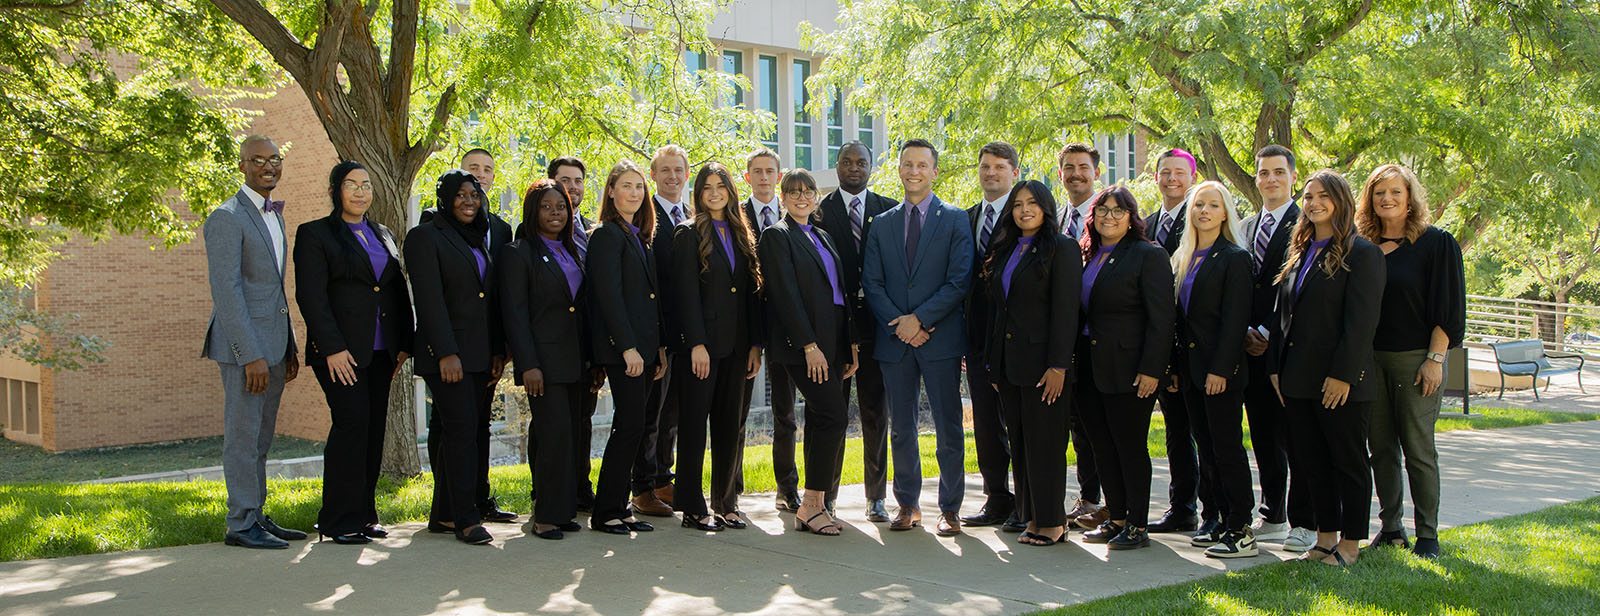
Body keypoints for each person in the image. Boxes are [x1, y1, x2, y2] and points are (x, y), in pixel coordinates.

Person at [1268, 169, 1385, 567]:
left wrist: (1343, 375)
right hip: (1297, 378)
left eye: (1323, 196)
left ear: (1341, 201)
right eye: (1308, 196)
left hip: (1341, 381)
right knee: (1311, 463)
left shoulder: (1362, 253)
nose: (1314, 203)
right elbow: (1283, 316)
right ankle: (1323, 540)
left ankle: (1351, 545)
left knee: (1347, 463)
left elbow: (1362, 323)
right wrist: (1275, 368)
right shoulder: (1300, 251)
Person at [294, 160, 413, 545]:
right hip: (340, 353)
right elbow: (311, 296)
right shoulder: (315, 234)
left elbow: (394, 290)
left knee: (373, 429)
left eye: (366, 185)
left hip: (381, 353)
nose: (361, 192)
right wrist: (332, 348)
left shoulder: (383, 233)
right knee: (352, 425)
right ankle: (337, 519)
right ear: (335, 191)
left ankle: (364, 514)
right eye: (351, 185)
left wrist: (404, 346)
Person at [861, 139, 974, 537]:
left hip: (939, 339)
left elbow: (959, 280)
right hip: (895, 341)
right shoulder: (882, 223)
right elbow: (871, 283)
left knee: (948, 427)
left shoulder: (957, 219)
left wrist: (922, 320)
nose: (914, 171)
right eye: (907, 164)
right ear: (899, 169)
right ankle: (907, 504)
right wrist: (901, 323)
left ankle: (950, 508)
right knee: (901, 428)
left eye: (922, 165)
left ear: (934, 171)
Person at [1355, 164, 1465, 559]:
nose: (1387, 199)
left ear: (1410, 197)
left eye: (1395, 193)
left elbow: (1449, 310)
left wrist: (1434, 359)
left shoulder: (1437, 244)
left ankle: (1429, 536)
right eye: (1378, 193)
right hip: (1370, 360)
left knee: (1418, 448)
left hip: (1417, 358)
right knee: (1380, 447)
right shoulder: (1360, 245)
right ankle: (1391, 528)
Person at [202, 134, 306, 549]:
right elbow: (227, 292)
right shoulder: (226, 217)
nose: (269, 166)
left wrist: (290, 347)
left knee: (261, 437)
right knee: (243, 436)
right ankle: (240, 522)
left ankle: (256, 514)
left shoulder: (274, 216)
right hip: (246, 350)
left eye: (275, 158)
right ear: (241, 165)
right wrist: (251, 356)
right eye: (258, 159)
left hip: (275, 346)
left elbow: (274, 291)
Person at [405, 169, 507, 545]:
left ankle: (445, 514)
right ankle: (467, 519)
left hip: (480, 355)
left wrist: (497, 350)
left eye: (474, 195)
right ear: (446, 198)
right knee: (461, 431)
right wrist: (446, 352)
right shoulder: (424, 237)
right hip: (447, 357)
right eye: (461, 195)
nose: (469, 201)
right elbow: (429, 301)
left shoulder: (478, 239)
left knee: (463, 432)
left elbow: (489, 301)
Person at [759, 168, 860, 536]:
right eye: (793, 192)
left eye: (808, 191)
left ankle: (815, 504)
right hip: (804, 344)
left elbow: (841, 294)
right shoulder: (776, 236)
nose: (801, 197)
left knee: (822, 417)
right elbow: (784, 294)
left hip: (833, 339)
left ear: (816, 197)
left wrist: (850, 343)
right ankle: (813, 503)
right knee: (833, 413)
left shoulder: (823, 235)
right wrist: (809, 345)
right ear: (782, 198)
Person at [497, 180, 598, 540]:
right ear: (533, 211)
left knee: (572, 437)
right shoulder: (518, 253)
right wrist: (528, 365)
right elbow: (515, 314)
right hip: (544, 363)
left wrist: (595, 361)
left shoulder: (575, 250)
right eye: (547, 207)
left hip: (578, 360)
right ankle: (545, 516)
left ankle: (563, 509)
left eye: (562, 207)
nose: (556, 213)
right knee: (553, 437)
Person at [982, 180, 1081, 546]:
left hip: (1045, 367)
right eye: (1018, 204)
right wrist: (994, 364)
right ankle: (1032, 517)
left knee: (1046, 443)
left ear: (1046, 207)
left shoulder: (1063, 248)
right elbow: (998, 311)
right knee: (1021, 443)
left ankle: (1053, 521)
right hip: (1010, 366)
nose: (1025, 210)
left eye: (1032, 203)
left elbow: (1066, 311)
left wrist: (1059, 365)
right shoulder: (1006, 248)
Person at [1075, 186, 1174, 550]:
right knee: (1101, 444)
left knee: (1129, 446)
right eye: (1102, 210)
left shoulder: (1148, 255)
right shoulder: (1088, 254)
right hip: (1088, 365)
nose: (1109, 217)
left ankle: (1137, 524)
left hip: (1130, 368)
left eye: (1118, 211)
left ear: (1132, 217)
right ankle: (1115, 517)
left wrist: (1153, 369)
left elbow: (1162, 319)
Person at [672, 163, 765, 531]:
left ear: (730, 190)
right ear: (698, 193)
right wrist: (696, 343)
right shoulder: (687, 233)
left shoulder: (743, 232)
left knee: (731, 426)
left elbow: (751, 295)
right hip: (702, 349)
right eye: (707, 187)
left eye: (720, 186)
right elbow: (685, 295)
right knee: (695, 426)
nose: (714, 192)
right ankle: (693, 507)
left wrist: (756, 344)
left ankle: (727, 502)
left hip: (738, 348)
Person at [1169, 180, 1258, 558]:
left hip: (1220, 372)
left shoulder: (1234, 257)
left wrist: (1221, 369)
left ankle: (1241, 526)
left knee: (1226, 449)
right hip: (1190, 371)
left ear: (1225, 213)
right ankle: (1217, 517)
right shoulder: (1183, 257)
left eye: (1212, 205)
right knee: (1205, 447)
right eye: (1198, 204)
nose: (1204, 211)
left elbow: (1235, 321)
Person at [1239, 144, 1315, 552]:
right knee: (1263, 433)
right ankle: (1273, 512)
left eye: (1278, 173)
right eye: (1263, 173)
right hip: (1246, 349)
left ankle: (1306, 519)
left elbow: (1300, 289)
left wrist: (1269, 331)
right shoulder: (1246, 226)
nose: (1270, 180)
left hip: (1285, 346)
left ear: (1292, 177)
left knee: (1295, 436)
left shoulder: (1306, 224)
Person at [815, 141, 895, 520]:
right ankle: (826, 495)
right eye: (847, 162)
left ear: (870, 168)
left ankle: (875, 496)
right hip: (834, 329)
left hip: (878, 325)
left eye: (861, 162)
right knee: (830, 413)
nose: (854, 168)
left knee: (876, 412)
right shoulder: (819, 212)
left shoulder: (889, 209)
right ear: (837, 167)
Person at [588, 160, 667, 535]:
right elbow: (609, 297)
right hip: (627, 353)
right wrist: (627, 348)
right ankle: (606, 511)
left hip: (647, 351)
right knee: (628, 426)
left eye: (639, 187)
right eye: (627, 186)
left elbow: (649, 299)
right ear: (611, 191)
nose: (634, 193)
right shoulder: (606, 235)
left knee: (634, 427)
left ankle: (619, 507)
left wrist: (659, 348)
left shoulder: (637, 235)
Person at [1145, 148, 1209, 535]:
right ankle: (1181, 507)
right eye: (1165, 172)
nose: (1171, 179)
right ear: (1156, 178)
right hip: (1157, 347)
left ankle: (1210, 510)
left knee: (1199, 431)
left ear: (1192, 176)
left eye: (1179, 173)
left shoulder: (1202, 219)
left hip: (1193, 345)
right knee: (1174, 432)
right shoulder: (1146, 224)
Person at [961, 141, 1023, 532]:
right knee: (985, 422)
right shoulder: (964, 219)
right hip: (976, 338)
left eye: (1000, 167)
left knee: (1018, 422)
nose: (991, 173)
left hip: (1015, 338)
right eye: (985, 166)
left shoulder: (1024, 218)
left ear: (1014, 172)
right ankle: (996, 497)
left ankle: (1028, 499)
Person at [535, 155, 600, 514]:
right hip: (549, 349)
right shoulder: (532, 234)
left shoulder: (591, 230)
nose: (573, 187)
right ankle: (544, 494)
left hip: (584, 347)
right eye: (565, 180)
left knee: (582, 421)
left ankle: (578, 488)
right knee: (549, 427)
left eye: (578, 181)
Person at [739, 148, 802, 513]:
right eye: (757, 171)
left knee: (785, 412)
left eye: (770, 172)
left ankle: (787, 487)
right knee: (737, 412)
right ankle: (731, 487)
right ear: (748, 177)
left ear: (778, 177)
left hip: (784, 328)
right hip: (744, 325)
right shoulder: (735, 215)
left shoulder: (794, 214)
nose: (764, 177)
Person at [634, 145, 693, 517]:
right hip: (658, 334)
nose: (673, 176)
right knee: (651, 415)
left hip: (689, 335)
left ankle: (661, 479)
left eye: (679, 170)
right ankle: (641, 488)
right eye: (665, 170)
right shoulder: (644, 217)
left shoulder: (694, 213)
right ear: (653, 175)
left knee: (673, 413)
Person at [1056, 142, 1107, 529]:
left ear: (1096, 172)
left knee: (1096, 423)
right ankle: (1086, 496)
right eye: (1069, 167)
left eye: (1083, 167)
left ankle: (1105, 501)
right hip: (1060, 336)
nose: (1076, 173)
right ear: (1060, 174)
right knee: (1073, 422)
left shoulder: (1109, 217)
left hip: (1098, 337)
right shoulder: (1053, 218)